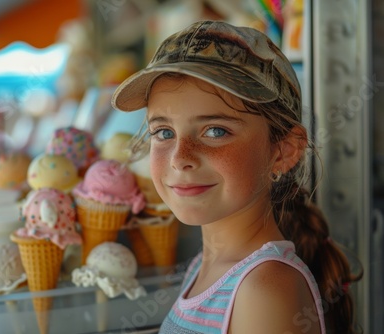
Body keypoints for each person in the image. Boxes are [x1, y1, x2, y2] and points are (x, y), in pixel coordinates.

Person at [112, 21, 361, 334]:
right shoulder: (204, 268)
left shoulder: (263, 291)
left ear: (283, 151)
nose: (180, 158)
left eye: (216, 131)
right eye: (164, 132)